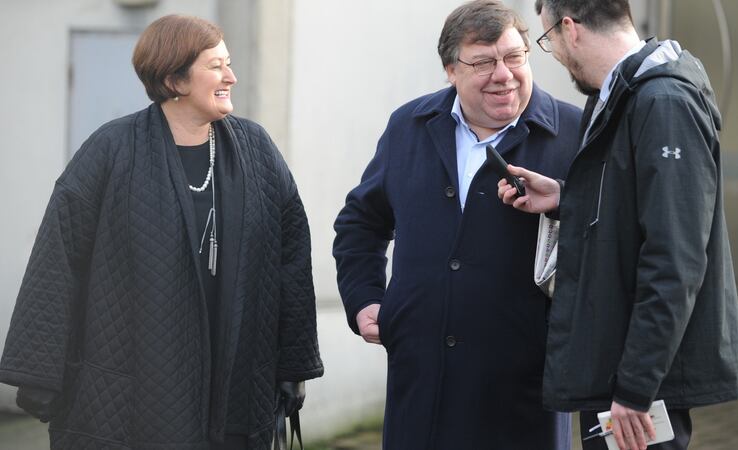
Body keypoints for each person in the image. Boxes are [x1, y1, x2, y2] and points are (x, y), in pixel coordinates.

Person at [0, 15, 323, 449]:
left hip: (238, 384)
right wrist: (39, 373)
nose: (231, 77)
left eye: (228, 63)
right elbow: (59, 256)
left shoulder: (257, 150)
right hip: (133, 392)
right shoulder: (111, 149)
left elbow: (292, 258)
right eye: (216, 66)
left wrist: (294, 364)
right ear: (175, 80)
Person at [498, 1, 738, 449]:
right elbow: (633, 208)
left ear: (570, 28)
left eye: (548, 39)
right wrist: (566, 199)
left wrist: (636, 387)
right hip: (613, 369)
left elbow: (675, 259)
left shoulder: (664, 102)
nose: (556, 54)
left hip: (636, 387)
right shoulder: (621, 95)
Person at [333, 1, 582, 448]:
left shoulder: (574, 132)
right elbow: (361, 222)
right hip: (421, 386)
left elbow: (612, 234)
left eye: (514, 57)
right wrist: (363, 297)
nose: (503, 74)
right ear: (450, 70)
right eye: (483, 62)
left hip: (524, 394)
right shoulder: (409, 126)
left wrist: (564, 200)